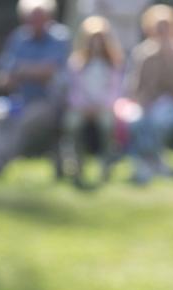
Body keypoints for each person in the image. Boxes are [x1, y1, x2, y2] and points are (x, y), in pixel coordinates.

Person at [0, 0, 71, 177]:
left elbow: (49, 71)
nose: (34, 22)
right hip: (19, 100)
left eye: (38, 18)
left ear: (49, 17)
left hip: (48, 102)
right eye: (30, 18)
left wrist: (22, 71)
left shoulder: (59, 37)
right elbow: (1, 76)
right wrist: (9, 78)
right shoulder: (18, 38)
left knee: (24, 120)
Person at [122, 4, 173, 184]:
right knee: (137, 122)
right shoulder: (142, 53)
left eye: (166, 26)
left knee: (161, 120)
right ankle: (151, 161)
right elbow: (135, 87)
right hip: (146, 103)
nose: (162, 31)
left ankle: (152, 162)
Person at [61, 16, 124, 185]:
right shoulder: (76, 63)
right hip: (82, 108)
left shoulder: (113, 63)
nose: (96, 43)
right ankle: (76, 163)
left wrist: (101, 106)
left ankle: (107, 163)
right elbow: (73, 91)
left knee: (107, 125)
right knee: (72, 124)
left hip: (104, 107)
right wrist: (84, 107)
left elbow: (115, 90)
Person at [65, 0, 153, 54]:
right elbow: (87, 9)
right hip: (101, 49)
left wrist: (109, 8)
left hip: (128, 46)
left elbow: (136, 9)